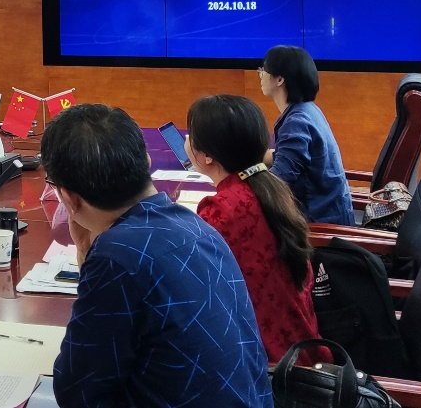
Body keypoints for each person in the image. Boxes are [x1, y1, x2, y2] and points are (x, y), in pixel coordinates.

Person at [41, 104, 272, 408]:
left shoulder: (117, 258)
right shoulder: (198, 226)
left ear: (69, 197)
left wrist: (91, 253)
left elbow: (77, 391)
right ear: (147, 162)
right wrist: (87, 250)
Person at [185, 94, 329, 364]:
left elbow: (193, 295)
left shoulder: (221, 211)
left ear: (206, 156)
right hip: (304, 349)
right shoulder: (271, 189)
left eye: (190, 135)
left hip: (268, 367)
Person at [259, 45, 353, 225]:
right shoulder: (308, 110)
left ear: (280, 79)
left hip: (320, 227)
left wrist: (240, 178)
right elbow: (292, 158)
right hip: (327, 215)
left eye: (263, 70)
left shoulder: (297, 121)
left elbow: (280, 179)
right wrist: (248, 159)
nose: (260, 75)